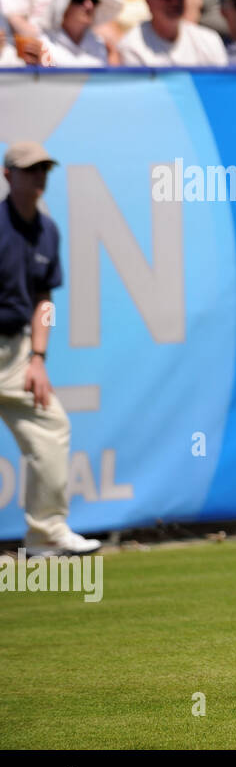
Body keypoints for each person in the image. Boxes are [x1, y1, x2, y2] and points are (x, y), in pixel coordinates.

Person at [1, 142, 99, 558]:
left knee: (52, 426)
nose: (39, 177)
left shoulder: (48, 230)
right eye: (30, 170)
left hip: (17, 353)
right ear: (8, 176)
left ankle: (44, 534)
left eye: (44, 169)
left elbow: (44, 301)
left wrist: (38, 358)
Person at [118, 0, 228, 66]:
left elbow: (221, 85)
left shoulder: (209, 40)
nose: (175, 1)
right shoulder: (131, 45)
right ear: (148, 0)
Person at [40, 0, 123, 67]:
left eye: (94, 0)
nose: (89, 5)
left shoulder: (100, 46)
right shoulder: (41, 45)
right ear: (62, 2)